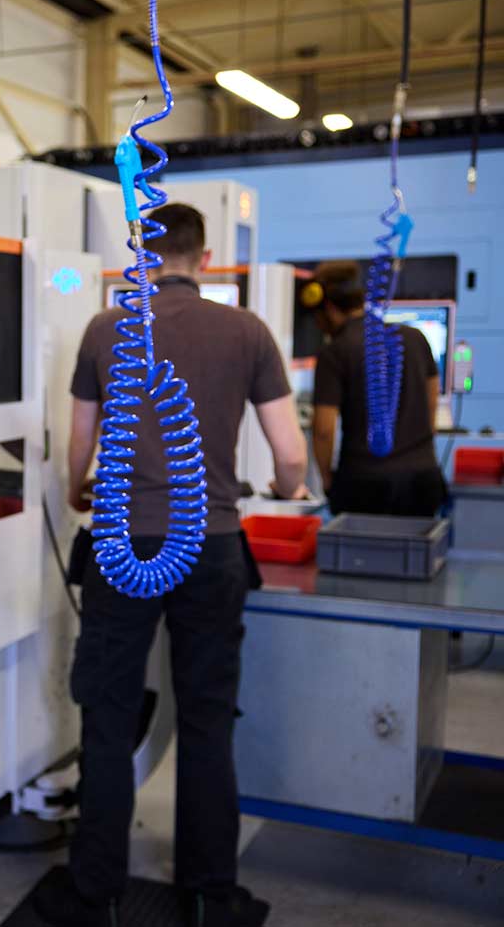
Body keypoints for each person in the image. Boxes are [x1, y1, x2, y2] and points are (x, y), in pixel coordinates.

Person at [35, 204, 308, 927]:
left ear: (142, 253)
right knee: (208, 717)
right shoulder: (247, 331)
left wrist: (74, 489)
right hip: (211, 545)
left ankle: (96, 892)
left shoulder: (106, 328)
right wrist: (289, 489)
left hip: (122, 547)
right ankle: (208, 891)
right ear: (207, 257)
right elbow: (289, 454)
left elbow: (80, 444)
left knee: (108, 712)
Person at [307, 260, 447, 516]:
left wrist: (326, 477)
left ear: (326, 306)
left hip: (364, 485)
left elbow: (324, 429)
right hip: (422, 480)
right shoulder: (415, 338)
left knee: (363, 556)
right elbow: (431, 406)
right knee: (414, 555)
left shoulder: (335, 352)